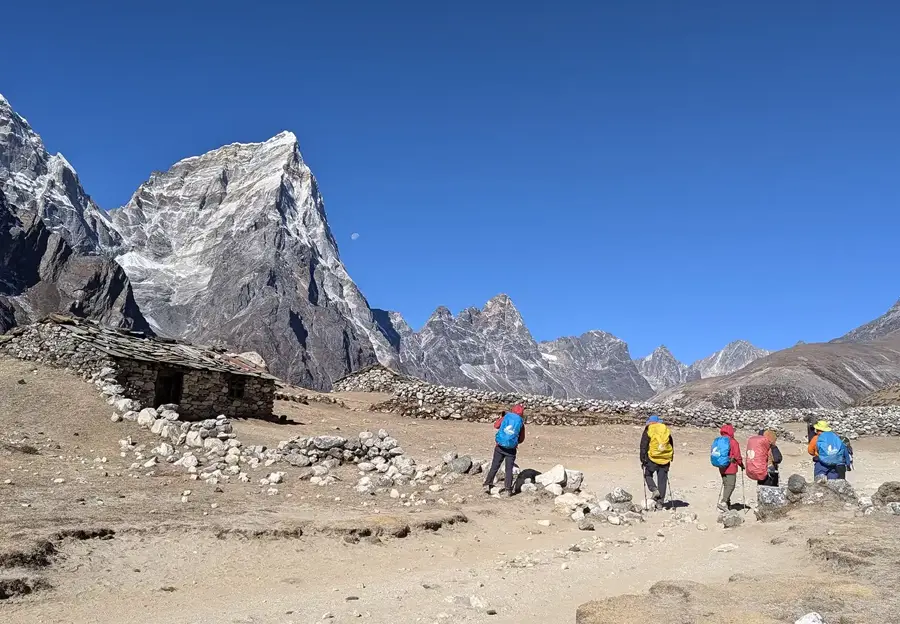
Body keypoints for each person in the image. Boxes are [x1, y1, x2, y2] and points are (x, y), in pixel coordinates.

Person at [483, 404, 526, 496]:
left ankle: (487, 484)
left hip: (499, 446)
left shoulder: (506, 417)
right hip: (511, 449)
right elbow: (521, 439)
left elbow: (496, 425)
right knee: (509, 469)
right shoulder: (520, 422)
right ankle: (508, 490)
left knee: (494, 466)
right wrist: (514, 441)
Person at [640, 415, 673, 506]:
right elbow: (670, 443)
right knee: (662, 480)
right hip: (665, 458)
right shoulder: (665, 429)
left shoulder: (649, 429)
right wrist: (670, 457)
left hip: (652, 458)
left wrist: (642, 459)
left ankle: (654, 489)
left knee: (647, 474)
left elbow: (643, 445)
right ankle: (660, 503)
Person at [712, 424, 743, 511]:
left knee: (726, 484)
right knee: (731, 485)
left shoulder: (719, 440)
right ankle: (724, 502)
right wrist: (741, 464)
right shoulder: (733, 442)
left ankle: (727, 504)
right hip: (730, 466)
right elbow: (737, 456)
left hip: (721, 465)